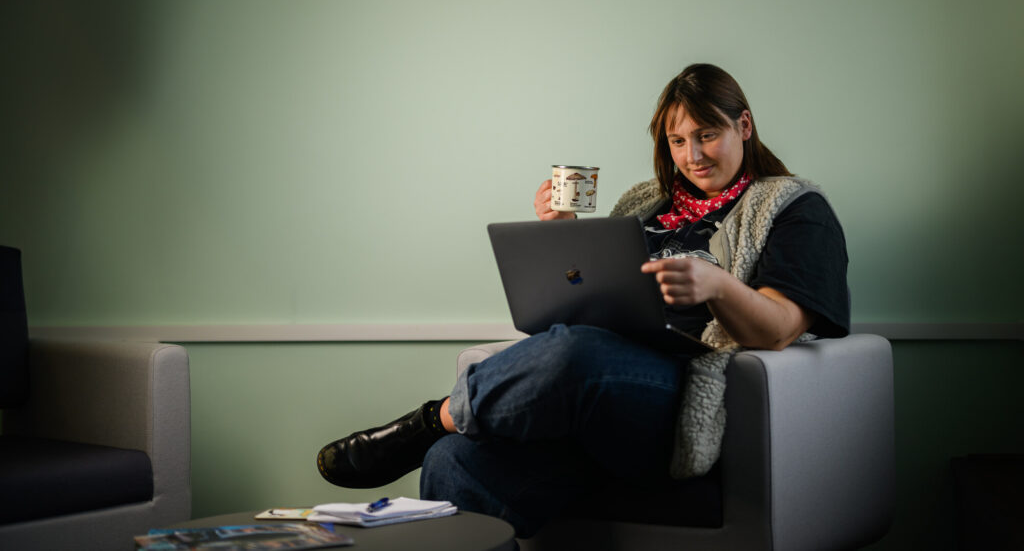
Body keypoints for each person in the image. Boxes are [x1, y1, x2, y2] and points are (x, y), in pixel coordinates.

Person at [316, 63, 850, 538]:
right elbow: (592, 301)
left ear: (744, 126)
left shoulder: (791, 207)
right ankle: (440, 434)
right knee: (454, 460)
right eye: (677, 141)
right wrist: (565, 242)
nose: (692, 155)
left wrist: (719, 286)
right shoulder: (645, 204)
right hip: (599, 385)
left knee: (574, 354)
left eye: (707, 135)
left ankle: (431, 417)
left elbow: (781, 326)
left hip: (684, 388)